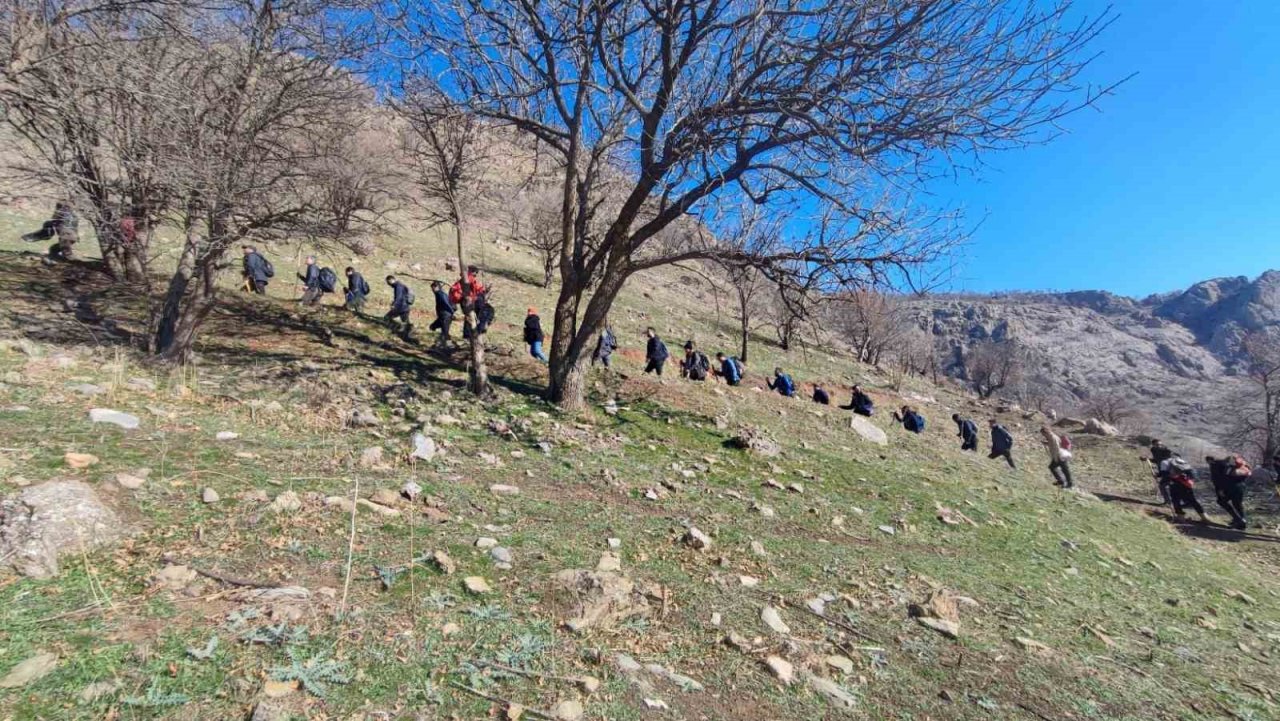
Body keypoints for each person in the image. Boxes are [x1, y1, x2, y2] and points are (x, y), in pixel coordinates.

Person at [1207, 455, 1250, 530]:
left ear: (1209, 461)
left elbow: (1217, 479)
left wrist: (1219, 489)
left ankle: (1238, 519)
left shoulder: (1214, 465)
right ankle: (1242, 524)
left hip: (1228, 487)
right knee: (1237, 504)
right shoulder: (1236, 466)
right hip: (1241, 487)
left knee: (1221, 501)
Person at [1160, 454, 1208, 522]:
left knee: (1175, 500)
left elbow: (1164, 475)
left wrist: (1163, 482)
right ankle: (1205, 517)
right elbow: (1191, 472)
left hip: (1175, 484)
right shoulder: (1182, 461)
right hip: (1186, 483)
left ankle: (1181, 518)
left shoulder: (1164, 462)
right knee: (1193, 500)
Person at [428, 281, 455, 347]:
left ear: (437, 287)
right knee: (435, 327)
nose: (432, 290)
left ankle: (449, 346)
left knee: (445, 332)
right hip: (443, 316)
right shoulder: (441, 293)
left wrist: (451, 312)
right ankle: (440, 344)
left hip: (445, 316)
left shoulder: (440, 294)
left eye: (433, 288)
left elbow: (446, 303)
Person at [1149, 439, 1174, 505]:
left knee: (1164, 486)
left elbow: (1167, 460)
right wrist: (1148, 459)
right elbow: (1157, 460)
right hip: (1163, 471)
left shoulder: (1167, 451)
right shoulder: (1153, 450)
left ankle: (1170, 502)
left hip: (1170, 472)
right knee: (1163, 486)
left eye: (1160, 444)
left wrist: (1159, 474)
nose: (1159, 446)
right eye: (1157, 445)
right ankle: (1169, 502)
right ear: (1153, 445)